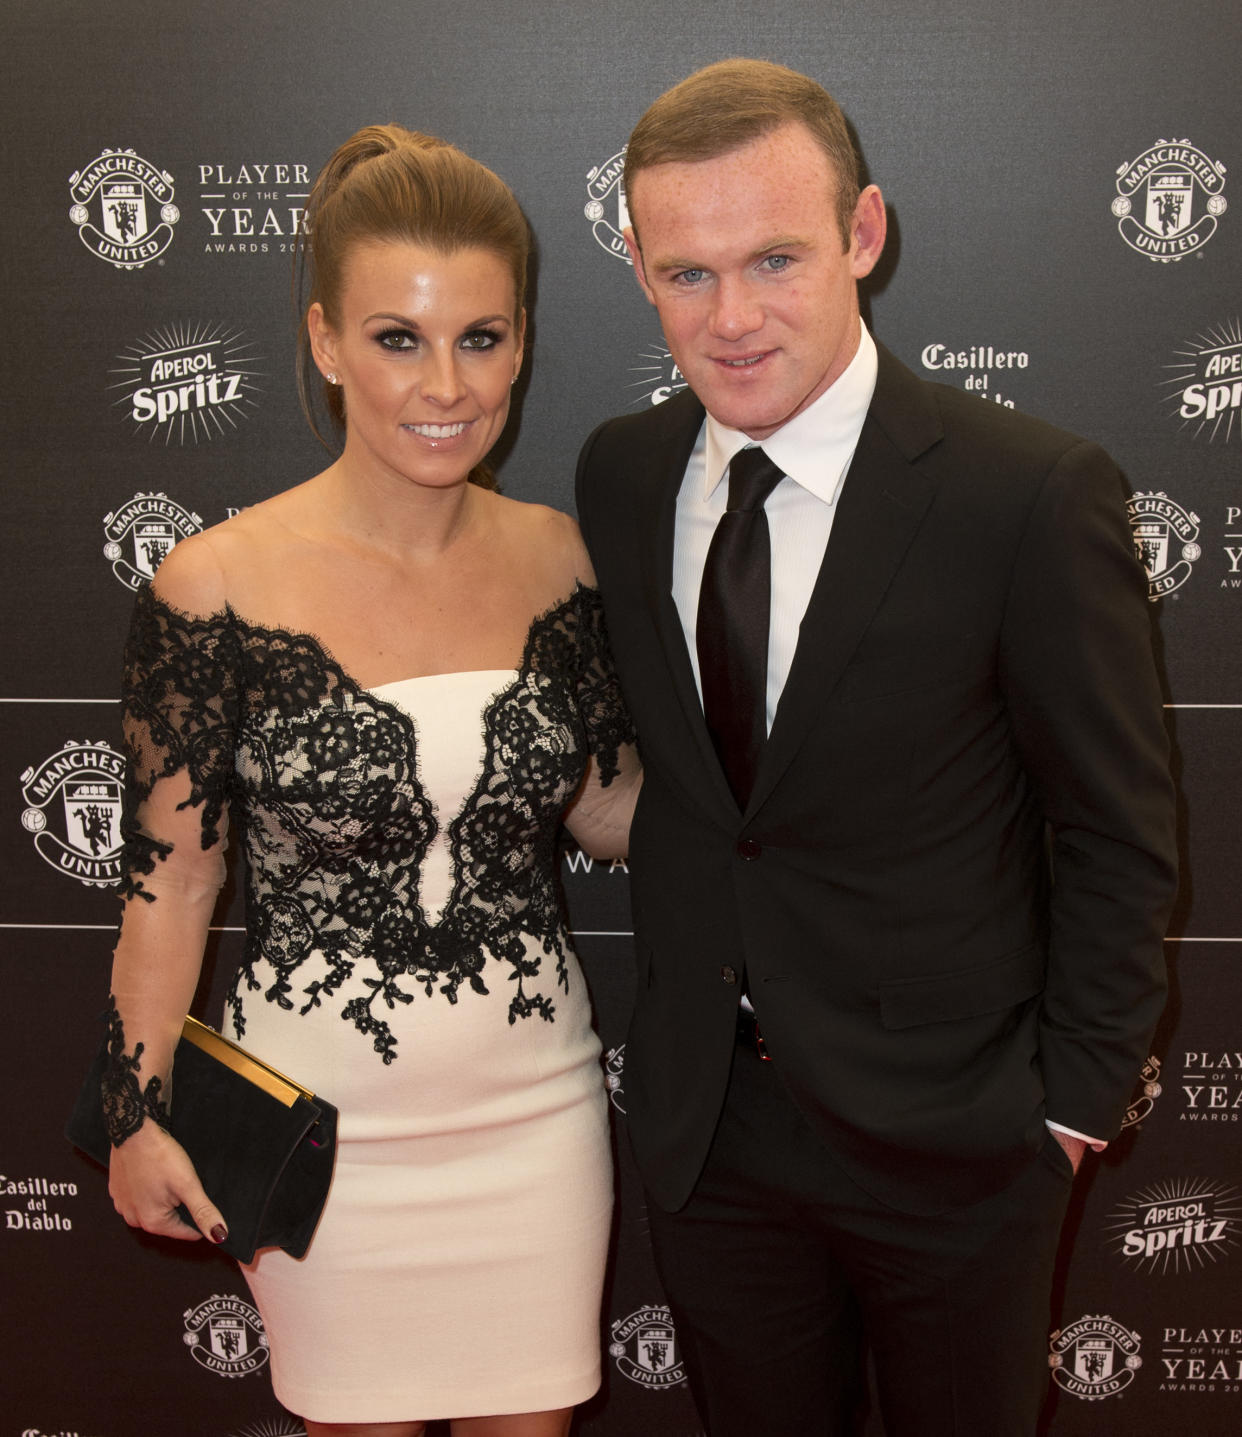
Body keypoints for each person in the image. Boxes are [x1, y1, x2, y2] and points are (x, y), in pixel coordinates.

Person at [575, 59, 1177, 1436]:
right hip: (711, 1134)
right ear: (641, 270)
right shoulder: (619, 474)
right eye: (685, 273)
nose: (730, 319)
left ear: (863, 234)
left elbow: (1114, 828)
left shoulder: (1021, 494)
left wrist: (1068, 1111)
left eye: (774, 257)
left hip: (960, 1144)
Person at [102, 123, 639, 1437]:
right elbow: (172, 888)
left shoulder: (563, 559)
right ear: (327, 340)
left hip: (535, 1122)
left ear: (521, 340)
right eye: (397, 338)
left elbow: (617, 813)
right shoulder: (214, 584)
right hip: (317, 1143)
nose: (443, 383)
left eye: (482, 336)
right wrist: (136, 1108)